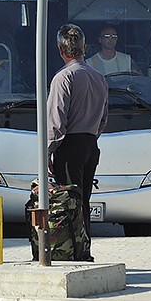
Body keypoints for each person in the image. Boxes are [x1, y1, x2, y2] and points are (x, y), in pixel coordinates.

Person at [47, 24, 109, 243]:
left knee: (69, 202)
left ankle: (72, 248)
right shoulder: (99, 77)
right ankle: (84, 246)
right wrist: (90, 137)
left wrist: (48, 150)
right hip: (90, 144)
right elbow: (103, 119)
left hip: (70, 145)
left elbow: (56, 120)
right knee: (84, 200)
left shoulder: (63, 78)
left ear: (60, 50)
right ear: (85, 47)